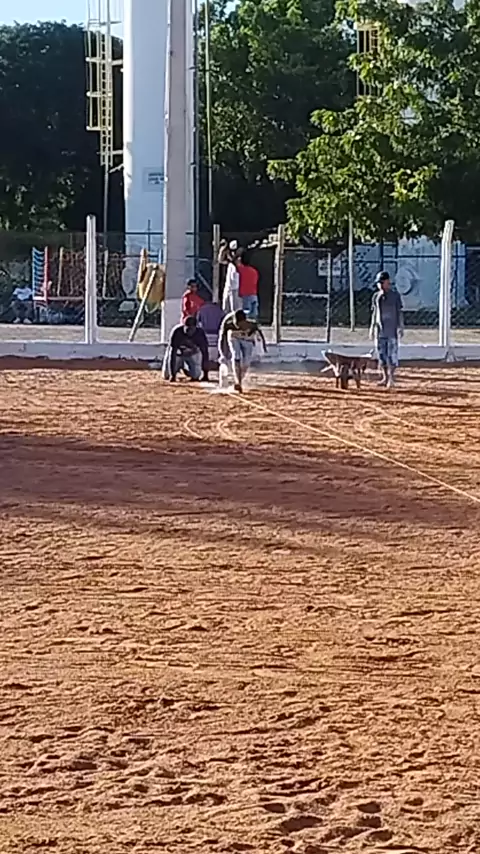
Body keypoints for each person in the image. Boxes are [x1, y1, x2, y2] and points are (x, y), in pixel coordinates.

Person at [218, 309, 267, 393]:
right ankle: (238, 382)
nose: (238, 326)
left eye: (240, 324)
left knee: (246, 362)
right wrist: (222, 353)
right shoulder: (228, 324)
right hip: (234, 337)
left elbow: (260, 334)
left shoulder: (252, 325)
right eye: (236, 324)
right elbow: (221, 338)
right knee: (236, 356)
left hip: (247, 339)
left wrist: (264, 346)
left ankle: (240, 377)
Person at [369, 271, 404, 389]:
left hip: (391, 330)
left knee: (392, 355)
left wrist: (400, 327)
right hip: (380, 330)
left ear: (387, 282)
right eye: (379, 283)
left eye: (382, 282)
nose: (380, 285)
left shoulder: (395, 296)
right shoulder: (376, 296)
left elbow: (399, 312)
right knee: (382, 355)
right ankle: (385, 377)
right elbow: (375, 313)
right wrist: (372, 327)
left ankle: (392, 378)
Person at [163, 316, 209, 383]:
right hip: (178, 354)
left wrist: (205, 374)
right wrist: (172, 375)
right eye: (188, 329)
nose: (190, 332)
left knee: (196, 376)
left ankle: (186, 369)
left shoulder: (200, 334)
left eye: (192, 329)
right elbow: (172, 353)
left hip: (192, 353)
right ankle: (177, 367)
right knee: (166, 375)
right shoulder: (177, 332)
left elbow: (205, 353)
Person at [237, 253, 260, 319]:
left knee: (246, 316)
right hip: (254, 295)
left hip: (245, 296)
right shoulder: (254, 271)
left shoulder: (240, 270)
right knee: (254, 315)